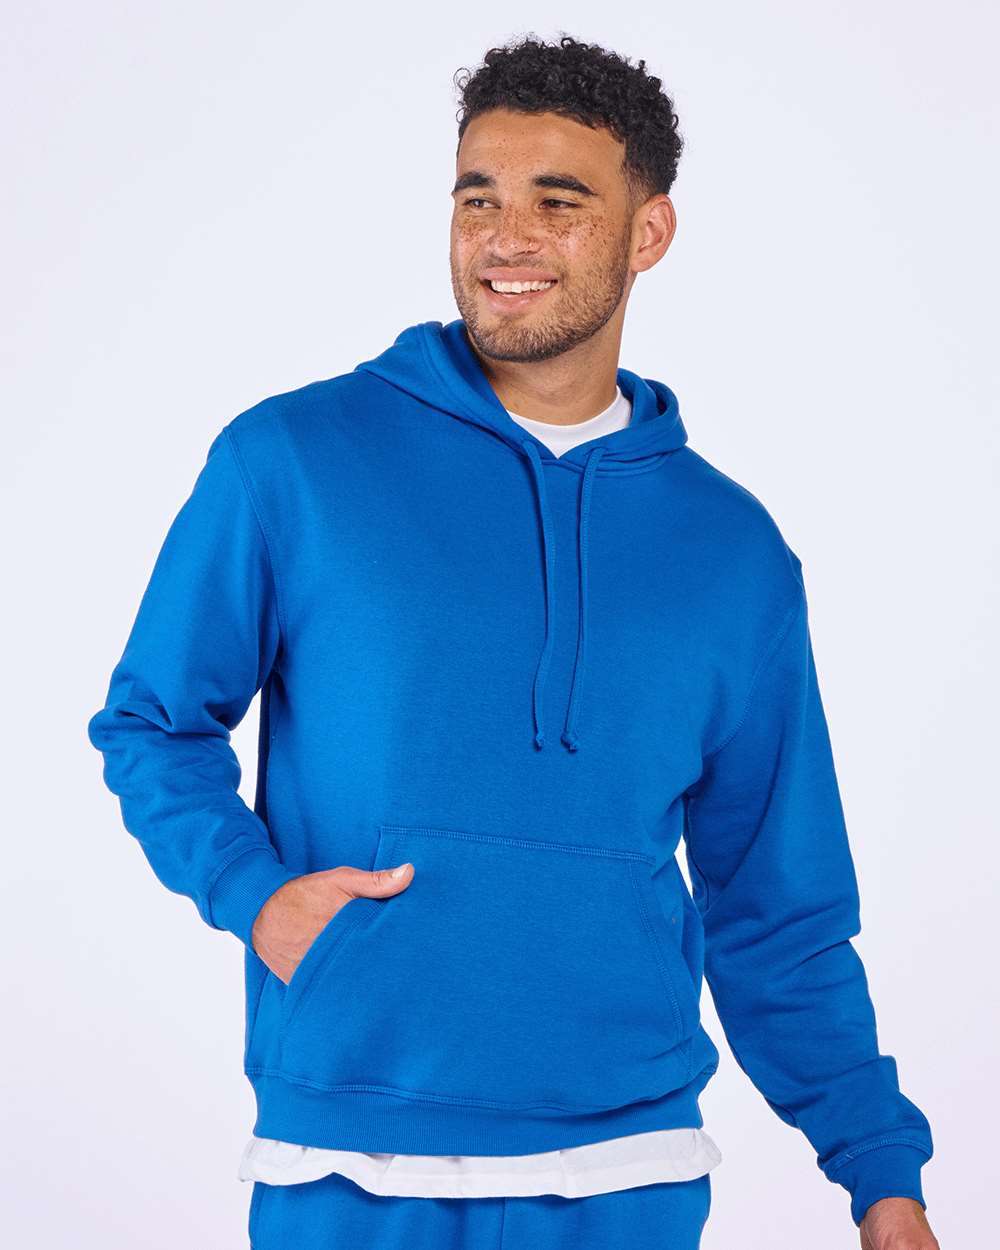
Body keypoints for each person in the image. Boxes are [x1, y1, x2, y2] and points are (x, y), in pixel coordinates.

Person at [87, 33, 940, 1250]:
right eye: (478, 198)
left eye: (558, 201)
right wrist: (252, 892)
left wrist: (880, 1174)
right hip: (349, 1151)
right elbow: (152, 721)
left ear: (648, 233)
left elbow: (776, 903)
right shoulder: (295, 461)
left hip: (631, 1167)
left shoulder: (733, 550)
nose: (505, 237)